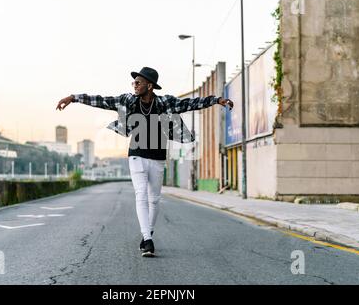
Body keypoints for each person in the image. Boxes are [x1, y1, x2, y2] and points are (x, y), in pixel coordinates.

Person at [56, 67, 233, 257]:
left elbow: (191, 103)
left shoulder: (165, 103)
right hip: (136, 154)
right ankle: (147, 240)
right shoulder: (128, 101)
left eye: (138, 83)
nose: (134, 85)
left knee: (154, 199)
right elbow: (102, 101)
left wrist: (217, 100)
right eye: (134, 82)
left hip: (157, 157)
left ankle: (147, 233)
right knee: (141, 194)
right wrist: (73, 97)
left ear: (149, 86)